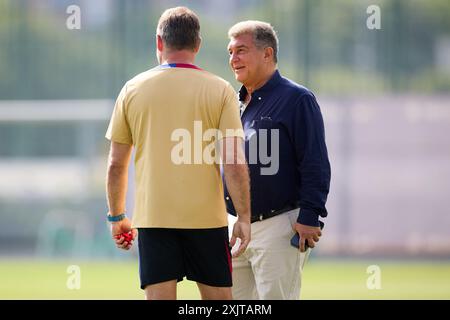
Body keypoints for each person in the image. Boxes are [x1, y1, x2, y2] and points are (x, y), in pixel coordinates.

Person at [105, 7, 251, 300]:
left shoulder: (132, 89)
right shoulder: (221, 90)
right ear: (198, 44)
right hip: (207, 220)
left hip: (153, 218)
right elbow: (233, 161)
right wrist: (244, 217)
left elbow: (116, 165)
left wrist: (117, 216)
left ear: (159, 42)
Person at [224, 20, 331, 300]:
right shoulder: (233, 104)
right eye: (230, 52)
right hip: (235, 227)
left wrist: (310, 216)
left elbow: (315, 163)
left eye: (241, 50)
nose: (233, 59)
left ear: (267, 54)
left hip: (278, 227)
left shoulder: (297, 99)